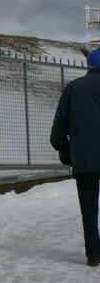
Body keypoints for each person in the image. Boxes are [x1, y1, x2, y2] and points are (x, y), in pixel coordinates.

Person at [50, 46, 100, 266]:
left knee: (88, 209)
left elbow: (59, 125)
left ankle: (93, 253)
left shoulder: (73, 88)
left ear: (88, 66)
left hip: (84, 160)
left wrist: (64, 149)